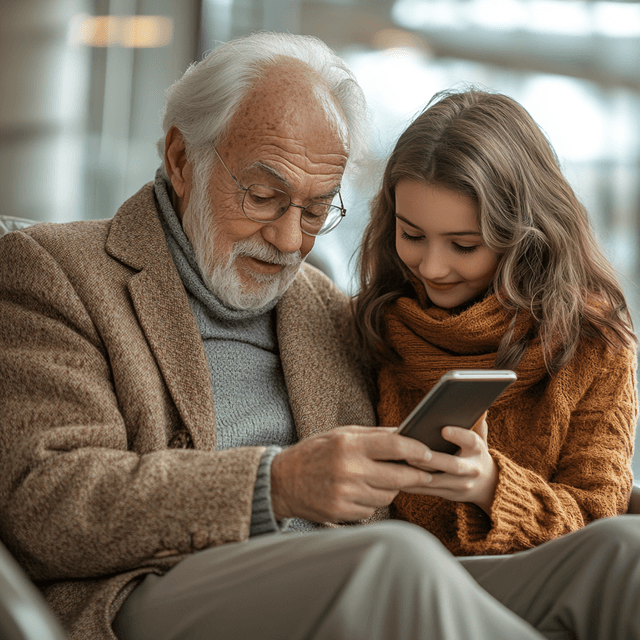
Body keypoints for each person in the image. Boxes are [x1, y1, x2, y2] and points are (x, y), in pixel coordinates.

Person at [1, 32, 639, 640]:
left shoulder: (327, 308)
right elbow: (40, 502)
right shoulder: (56, 272)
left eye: (314, 210)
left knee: (622, 554)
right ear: (180, 158)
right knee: (390, 561)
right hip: (160, 587)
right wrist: (274, 484)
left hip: (358, 579)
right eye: (262, 195)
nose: (287, 240)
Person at [353, 88, 638, 554]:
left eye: (463, 245)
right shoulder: (370, 324)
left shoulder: (594, 342)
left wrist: (489, 485)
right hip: (396, 580)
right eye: (412, 235)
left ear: (524, 237)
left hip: (542, 582)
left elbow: (598, 524)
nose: (430, 267)